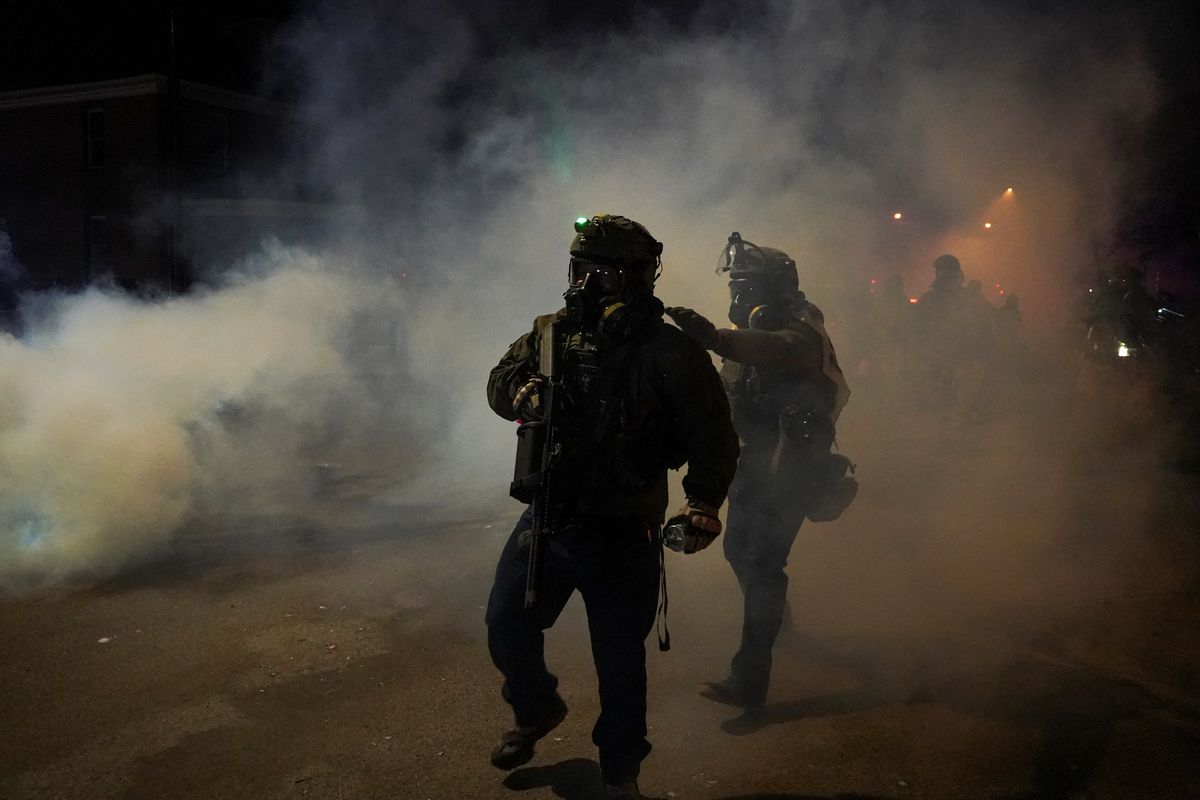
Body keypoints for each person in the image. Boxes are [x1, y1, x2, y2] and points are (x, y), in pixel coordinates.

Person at [484, 214, 740, 799]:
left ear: (639, 277)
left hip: (625, 530)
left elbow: (713, 435)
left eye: (604, 274)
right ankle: (536, 708)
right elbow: (499, 379)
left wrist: (702, 503)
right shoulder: (550, 333)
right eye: (580, 270)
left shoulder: (672, 352)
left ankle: (620, 774)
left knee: (620, 666)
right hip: (550, 516)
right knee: (505, 624)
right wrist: (520, 392)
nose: (587, 284)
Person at [665, 232, 851, 714]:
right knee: (736, 551)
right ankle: (776, 624)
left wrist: (716, 339)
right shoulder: (748, 340)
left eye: (749, 287)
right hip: (753, 467)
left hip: (792, 470)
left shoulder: (801, 331)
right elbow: (730, 395)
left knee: (763, 564)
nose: (739, 295)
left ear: (778, 290)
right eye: (736, 286)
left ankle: (749, 679)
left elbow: (776, 348)